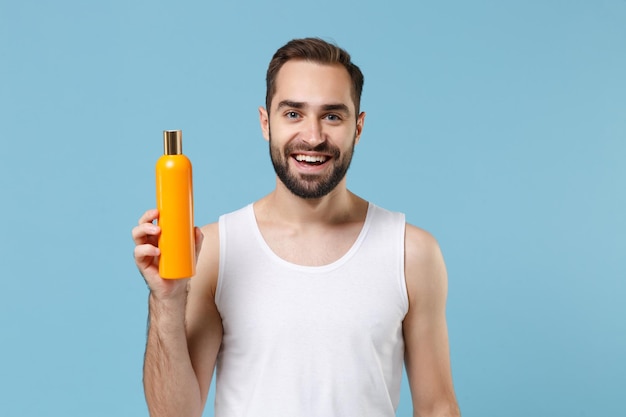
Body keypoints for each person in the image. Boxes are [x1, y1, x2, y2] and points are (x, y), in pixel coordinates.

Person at [132, 37, 460, 417]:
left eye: (333, 116)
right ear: (265, 122)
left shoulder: (411, 253)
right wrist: (167, 300)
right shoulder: (214, 251)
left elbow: (438, 406)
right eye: (293, 114)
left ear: (359, 127)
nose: (313, 136)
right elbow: (173, 414)